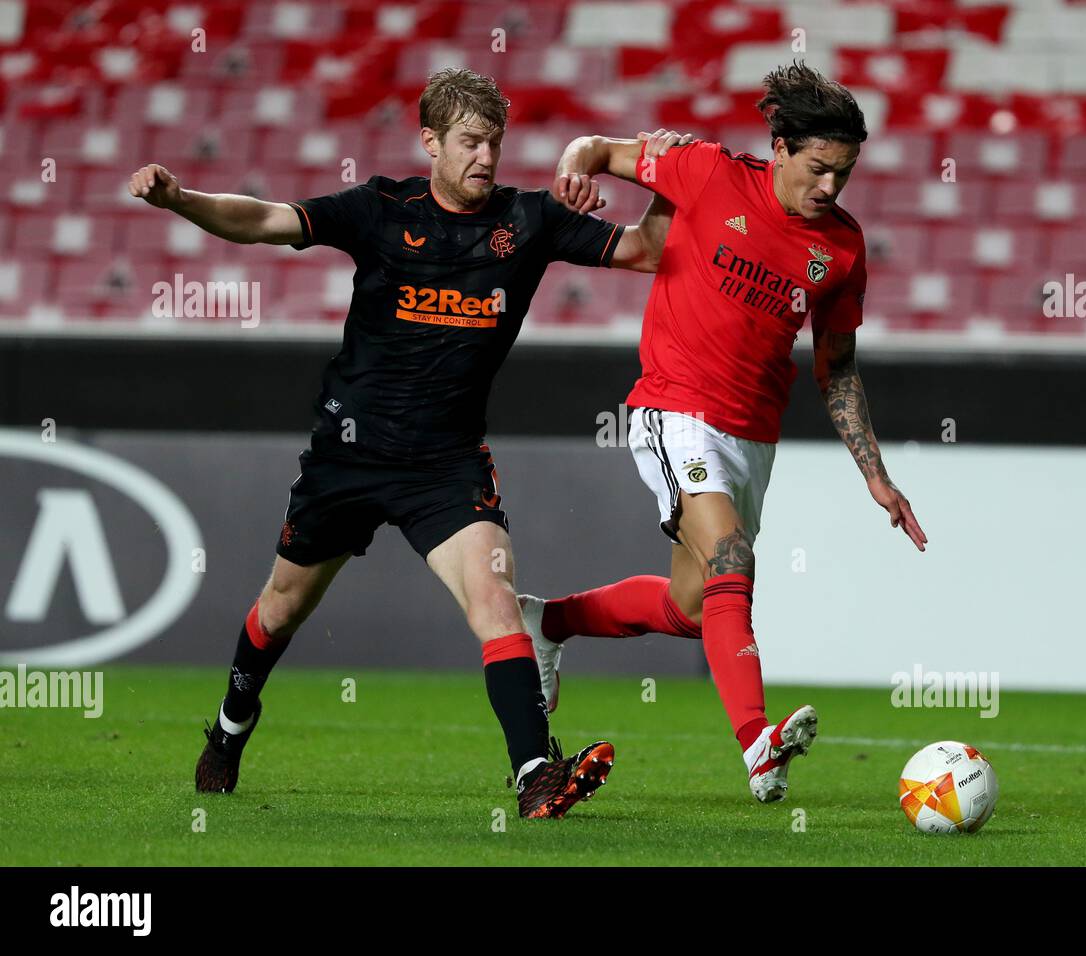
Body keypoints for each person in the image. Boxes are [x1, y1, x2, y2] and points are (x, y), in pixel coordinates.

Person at [127, 67, 688, 819]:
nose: (484, 156)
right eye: (468, 141)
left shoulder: (531, 220)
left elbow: (650, 251)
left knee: (493, 597)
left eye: (494, 141)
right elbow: (263, 220)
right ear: (430, 141)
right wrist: (180, 199)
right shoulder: (379, 209)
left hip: (446, 463)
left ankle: (534, 776)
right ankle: (230, 728)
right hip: (348, 455)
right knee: (281, 608)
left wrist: (666, 177)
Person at [522, 62, 928, 804]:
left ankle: (547, 621)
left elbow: (836, 370)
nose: (831, 187)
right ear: (779, 149)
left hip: (752, 434)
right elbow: (595, 147)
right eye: (818, 168)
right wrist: (572, 170)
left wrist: (873, 471)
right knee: (732, 556)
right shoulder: (705, 171)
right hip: (674, 410)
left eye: (844, 173)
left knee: (691, 603)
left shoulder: (841, 248)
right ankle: (758, 746)